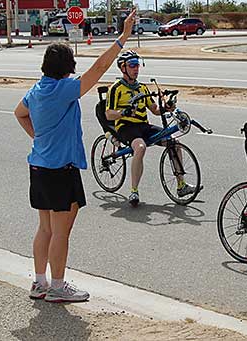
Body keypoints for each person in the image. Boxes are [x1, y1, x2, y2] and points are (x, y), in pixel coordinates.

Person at [13, 10, 137, 303]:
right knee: (61, 232)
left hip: (39, 166)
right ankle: (57, 286)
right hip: (60, 170)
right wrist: (122, 37)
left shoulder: (38, 88)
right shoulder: (64, 89)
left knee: (44, 228)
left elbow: (19, 113)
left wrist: (38, 138)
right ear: (67, 67)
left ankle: (40, 282)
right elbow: (99, 68)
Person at [105, 51, 198, 207]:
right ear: (123, 68)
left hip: (143, 126)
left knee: (174, 143)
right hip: (126, 127)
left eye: (137, 64)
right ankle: (134, 191)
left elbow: (154, 109)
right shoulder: (116, 88)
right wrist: (123, 112)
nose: (136, 68)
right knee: (140, 147)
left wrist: (167, 107)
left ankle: (181, 186)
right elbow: (108, 114)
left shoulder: (142, 87)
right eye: (132, 65)